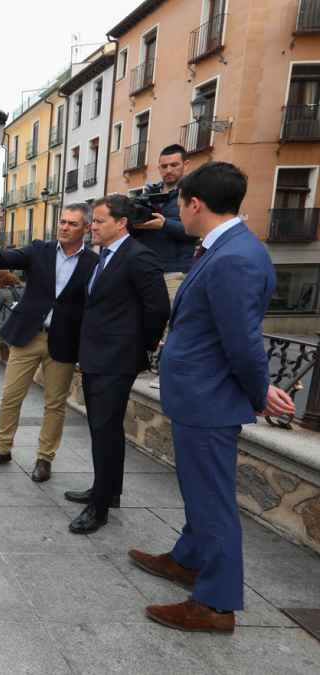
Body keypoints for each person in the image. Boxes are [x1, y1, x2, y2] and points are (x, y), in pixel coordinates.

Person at [129, 162, 294, 634]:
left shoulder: (235, 257)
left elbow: (242, 340)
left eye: (179, 202)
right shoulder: (228, 248)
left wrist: (260, 391)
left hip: (208, 399)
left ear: (194, 204)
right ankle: (188, 560)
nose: (177, 210)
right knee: (200, 495)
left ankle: (216, 605)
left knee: (212, 503)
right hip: (202, 394)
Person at [0, 204, 99, 483]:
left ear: (87, 229)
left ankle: (44, 459)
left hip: (63, 340)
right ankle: (2, 450)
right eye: (62, 221)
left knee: (55, 404)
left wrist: (87, 349)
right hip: (29, 334)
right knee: (11, 396)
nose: (64, 227)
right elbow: (3, 256)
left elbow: (93, 307)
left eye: (72, 224)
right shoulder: (40, 249)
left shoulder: (94, 263)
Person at [66, 194, 170, 534]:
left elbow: (157, 310)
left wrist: (139, 352)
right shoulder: (104, 257)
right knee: (103, 429)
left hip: (117, 360)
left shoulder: (140, 257)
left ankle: (99, 508)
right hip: (98, 356)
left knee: (104, 430)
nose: (91, 226)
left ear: (121, 223)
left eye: (98, 221)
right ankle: (107, 492)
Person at [130, 144, 201, 389]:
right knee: (141, 319)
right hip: (145, 269)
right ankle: (137, 364)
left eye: (174, 165)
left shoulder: (193, 193)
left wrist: (162, 225)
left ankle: (167, 373)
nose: (168, 170)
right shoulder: (149, 193)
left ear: (185, 165)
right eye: (164, 166)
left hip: (173, 270)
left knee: (174, 325)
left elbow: (193, 231)